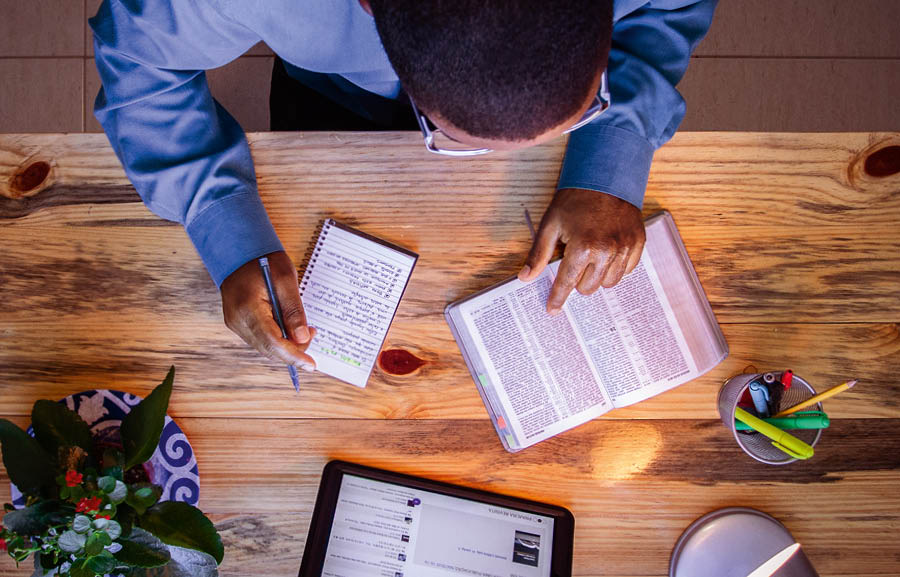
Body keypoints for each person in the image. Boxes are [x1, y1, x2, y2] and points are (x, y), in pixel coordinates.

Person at [90, 0, 717, 373]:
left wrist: (610, 158)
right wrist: (222, 222)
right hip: (332, 93)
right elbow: (141, 60)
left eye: (580, 112)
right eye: (455, 138)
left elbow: (670, 10)